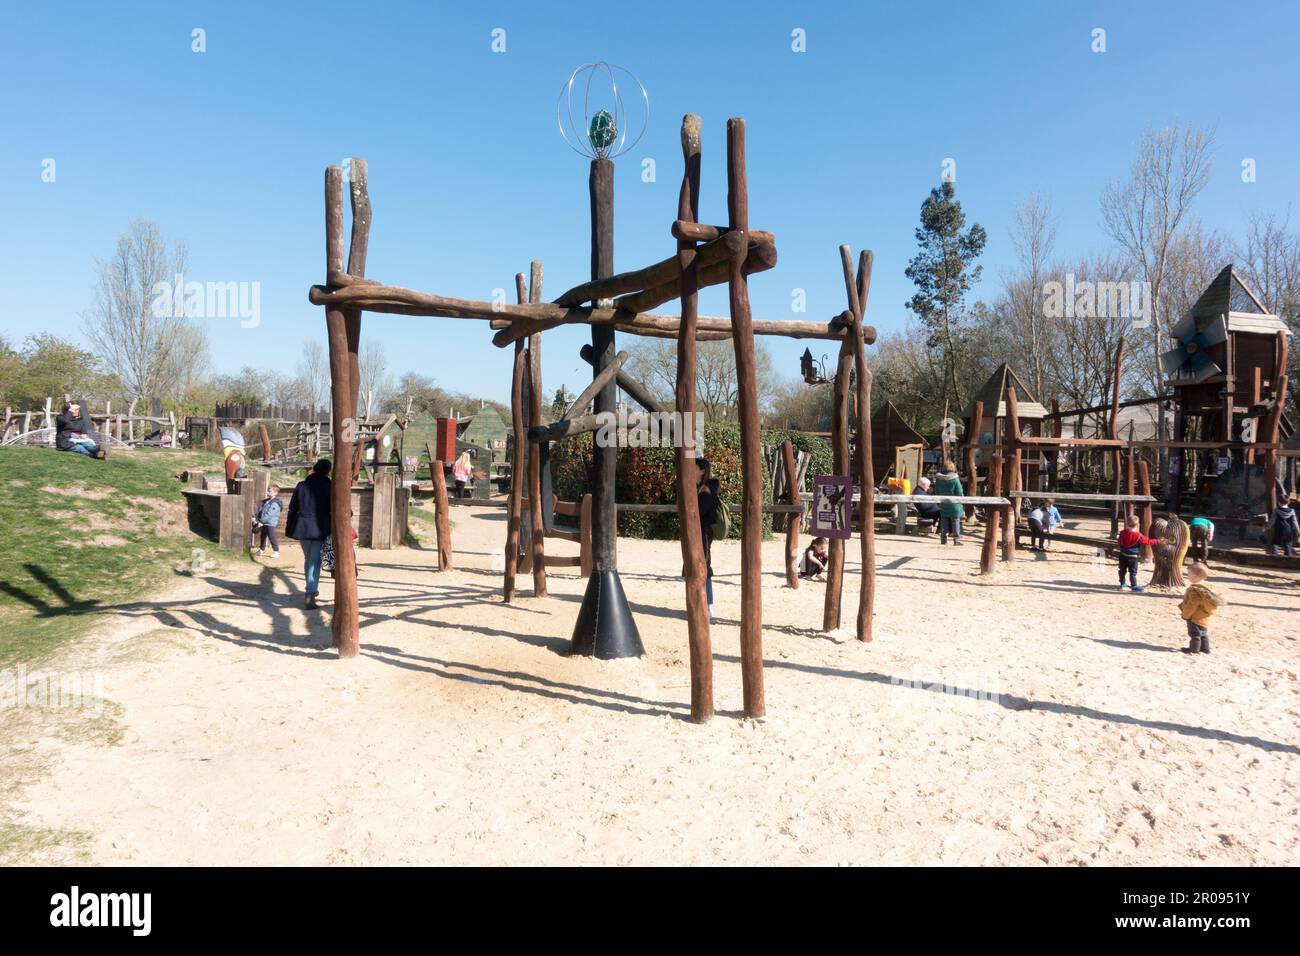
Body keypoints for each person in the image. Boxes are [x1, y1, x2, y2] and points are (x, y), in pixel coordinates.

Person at [286, 459, 332, 609]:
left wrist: (290, 527)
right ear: (327, 471)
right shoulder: (329, 486)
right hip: (320, 527)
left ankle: (311, 589)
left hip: (302, 527)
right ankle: (310, 593)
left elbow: (293, 507)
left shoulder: (301, 485)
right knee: (314, 561)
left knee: (309, 560)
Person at [1179, 562, 1225, 654]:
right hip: (1205, 616)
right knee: (1203, 634)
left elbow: (1192, 605)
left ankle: (1194, 649)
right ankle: (1205, 649)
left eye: (1189, 574)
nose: (1187, 576)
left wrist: (1185, 615)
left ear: (1195, 577)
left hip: (1195, 617)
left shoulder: (1194, 590)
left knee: (1195, 634)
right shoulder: (1207, 588)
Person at [696, 456, 721, 621]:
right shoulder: (696, 487)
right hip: (696, 530)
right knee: (695, 564)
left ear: (702, 470)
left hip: (704, 531)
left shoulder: (709, 487)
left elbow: (703, 511)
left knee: (704, 565)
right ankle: (700, 603)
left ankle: (708, 605)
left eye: (694, 468)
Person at [1115, 514, 1159, 592]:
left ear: (1127, 524)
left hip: (1122, 555)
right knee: (1133, 572)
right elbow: (1148, 541)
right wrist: (1158, 541)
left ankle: (1122, 584)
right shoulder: (1138, 535)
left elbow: (1119, 542)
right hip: (1133, 557)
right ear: (1138, 525)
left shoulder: (1122, 533)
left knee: (1122, 570)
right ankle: (1134, 585)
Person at [932, 460, 964, 546]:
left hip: (943, 502)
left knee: (944, 520)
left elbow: (937, 491)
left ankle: (943, 539)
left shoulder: (939, 479)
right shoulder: (955, 478)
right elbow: (959, 492)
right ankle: (956, 540)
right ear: (953, 468)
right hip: (954, 503)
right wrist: (961, 500)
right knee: (956, 521)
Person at [250, 484, 282, 558]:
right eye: (268, 490)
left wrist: (261, 521)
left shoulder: (275, 503)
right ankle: (261, 550)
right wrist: (256, 519)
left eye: (270, 491)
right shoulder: (266, 501)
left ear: (275, 493)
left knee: (271, 536)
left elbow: (269, 514)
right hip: (264, 522)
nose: (268, 492)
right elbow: (261, 511)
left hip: (270, 523)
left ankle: (276, 551)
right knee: (263, 536)